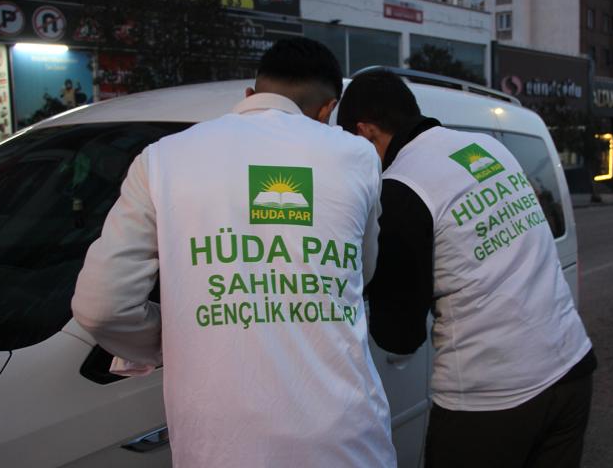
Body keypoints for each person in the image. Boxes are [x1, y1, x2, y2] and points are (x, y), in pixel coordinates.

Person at [72, 38, 396, 468]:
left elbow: (101, 306)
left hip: (219, 447)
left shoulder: (162, 159)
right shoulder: (357, 156)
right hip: (346, 442)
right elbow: (362, 271)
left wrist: (181, 334)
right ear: (327, 109)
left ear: (249, 94)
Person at [337, 70, 597, 468]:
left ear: (365, 132)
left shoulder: (402, 186)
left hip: (491, 401)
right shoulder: (488, 148)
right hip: (571, 370)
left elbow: (400, 336)